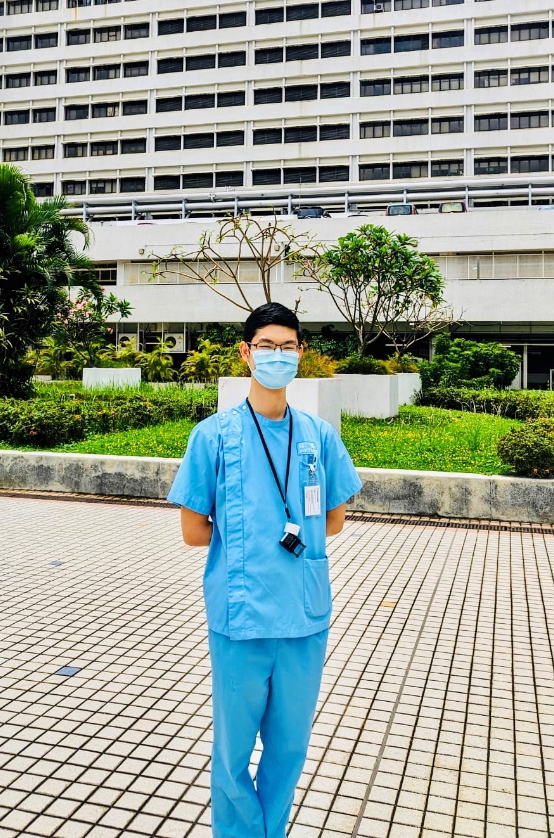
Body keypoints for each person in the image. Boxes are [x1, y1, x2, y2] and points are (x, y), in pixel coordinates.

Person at [168, 302, 362, 838]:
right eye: (267, 346)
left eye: (288, 346)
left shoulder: (319, 437)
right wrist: (249, 544)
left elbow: (334, 521)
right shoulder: (213, 436)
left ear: (301, 353)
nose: (278, 356)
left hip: (303, 617)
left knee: (289, 748)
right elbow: (192, 531)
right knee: (232, 752)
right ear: (246, 352)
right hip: (242, 619)